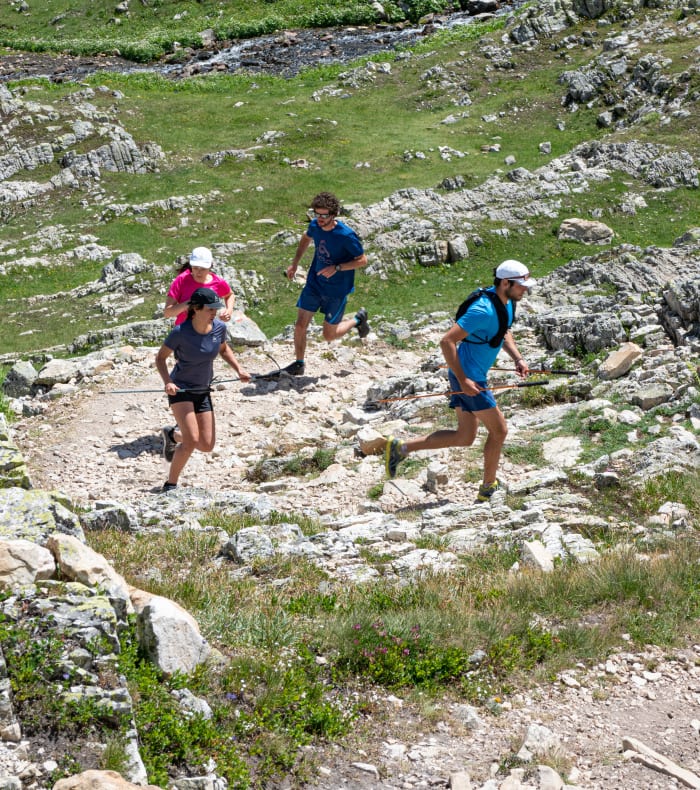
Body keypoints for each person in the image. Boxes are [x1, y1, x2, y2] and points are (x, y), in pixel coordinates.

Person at [384, 260, 536, 502]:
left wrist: (517, 358)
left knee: (465, 437)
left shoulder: (507, 302)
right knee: (499, 430)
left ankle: (401, 448)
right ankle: (488, 488)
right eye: (521, 285)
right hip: (469, 377)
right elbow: (447, 341)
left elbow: (503, 330)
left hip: (469, 375)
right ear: (505, 283)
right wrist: (464, 379)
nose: (525, 290)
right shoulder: (482, 310)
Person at [155, 287, 251, 492]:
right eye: (210, 309)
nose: (215, 312)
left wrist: (239, 369)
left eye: (216, 308)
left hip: (203, 389)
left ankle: (172, 435)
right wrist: (167, 382)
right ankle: (170, 485)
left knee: (207, 445)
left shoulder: (219, 328)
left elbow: (223, 349)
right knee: (191, 441)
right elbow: (160, 358)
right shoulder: (180, 332)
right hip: (181, 390)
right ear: (196, 308)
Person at [283, 191, 370, 375]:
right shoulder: (315, 225)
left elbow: (362, 260)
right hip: (315, 283)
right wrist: (295, 263)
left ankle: (358, 320)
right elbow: (306, 238)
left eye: (324, 215)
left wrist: (337, 268)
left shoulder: (346, 235)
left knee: (328, 335)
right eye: (317, 214)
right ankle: (299, 363)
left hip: (337, 290)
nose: (320, 219)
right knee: (300, 325)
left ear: (334, 214)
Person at [164, 246, 235, 325]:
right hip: (184, 329)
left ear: (210, 266)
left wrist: (229, 311)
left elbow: (229, 295)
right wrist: (190, 303)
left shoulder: (218, 282)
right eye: (195, 268)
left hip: (209, 329)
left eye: (203, 269)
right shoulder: (182, 280)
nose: (198, 272)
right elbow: (167, 313)